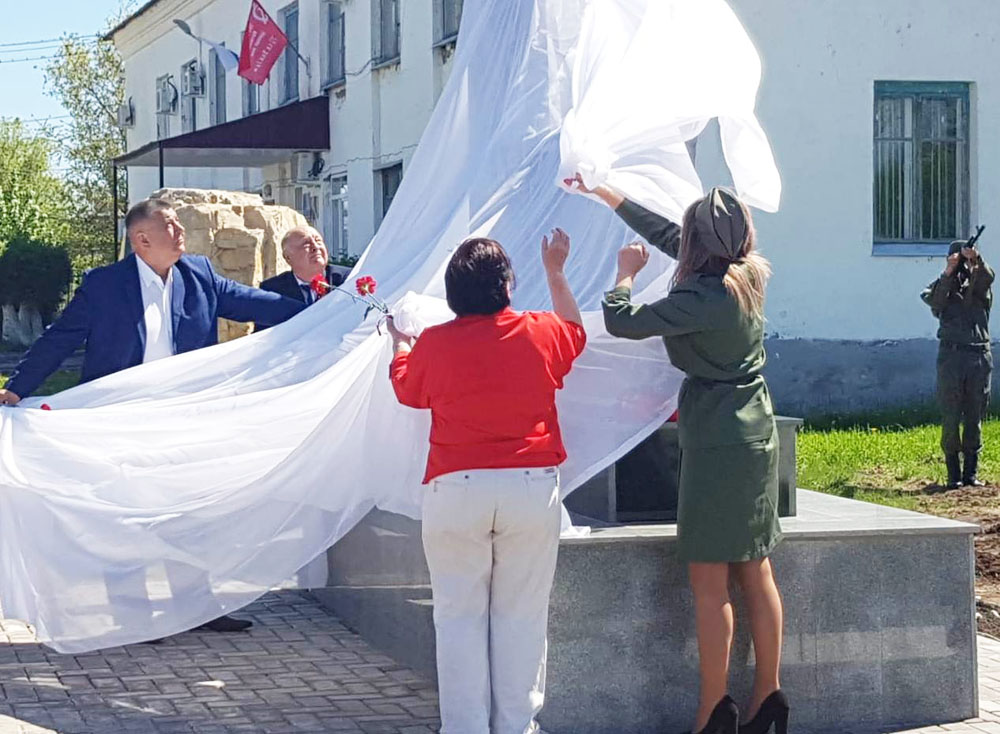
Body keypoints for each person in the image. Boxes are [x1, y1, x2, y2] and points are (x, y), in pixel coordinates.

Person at [0, 197, 306, 633]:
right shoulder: (104, 285)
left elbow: (260, 304)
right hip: (118, 424)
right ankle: (133, 615)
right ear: (142, 239)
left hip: (181, 423)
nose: (180, 231)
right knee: (124, 518)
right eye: (170, 225)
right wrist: (16, 388)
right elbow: (60, 338)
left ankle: (197, 609)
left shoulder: (199, 274)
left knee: (190, 515)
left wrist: (331, 311)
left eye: (179, 223)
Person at [572, 176, 787, 734]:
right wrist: (611, 196)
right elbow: (678, 239)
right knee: (756, 568)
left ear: (697, 244)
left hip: (716, 442)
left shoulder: (696, 299)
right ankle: (769, 697)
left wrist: (624, 275)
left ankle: (713, 710)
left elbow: (622, 321)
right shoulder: (749, 274)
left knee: (710, 582)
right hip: (757, 431)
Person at [387, 231, 586, 734]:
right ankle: (517, 726)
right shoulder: (540, 331)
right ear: (507, 286)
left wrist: (401, 343)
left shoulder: (435, 343)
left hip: (455, 486)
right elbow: (575, 331)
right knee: (522, 616)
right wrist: (555, 270)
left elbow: (408, 389)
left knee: (458, 617)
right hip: (530, 484)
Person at [921, 239, 994, 489]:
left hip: (978, 356)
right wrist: (949, 272)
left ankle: (970, 473)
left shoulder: (979, 284)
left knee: (974, 415)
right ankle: (953, 474)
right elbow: (935, 302)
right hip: (951, 357)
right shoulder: (942, 285)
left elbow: (987, 278)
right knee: (951, 414)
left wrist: (976, 260)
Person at [255, 226, 348, 330]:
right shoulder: (273, 290)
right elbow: (262, 334)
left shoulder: (347, 279)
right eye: (306, 244)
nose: (315, 247)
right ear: (288, 257)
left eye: (318, 240)